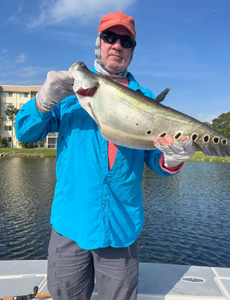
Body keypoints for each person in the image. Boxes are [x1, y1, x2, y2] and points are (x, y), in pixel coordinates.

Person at [15, 11, 195, 300]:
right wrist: (43, 99)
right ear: (98, 43)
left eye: (126, 41)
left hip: (121, 228)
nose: (117, 45)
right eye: (109, 37)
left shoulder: (145, 99)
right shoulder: (69, 94)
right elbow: (25, 133)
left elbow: (153, 159)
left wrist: (171, 159)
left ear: (132, 50)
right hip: (69, 226)